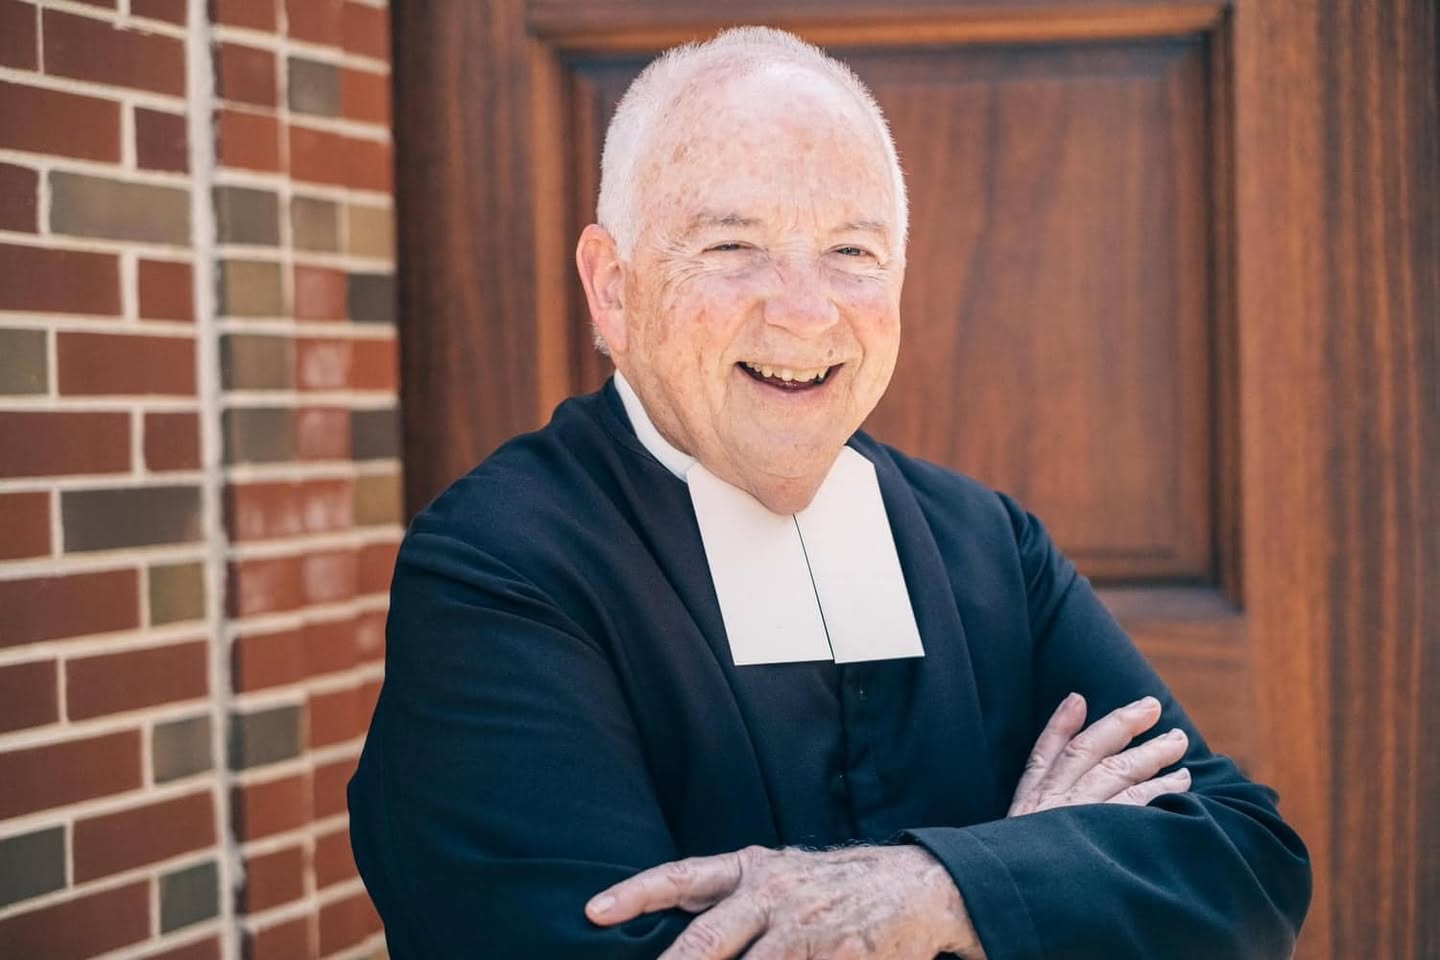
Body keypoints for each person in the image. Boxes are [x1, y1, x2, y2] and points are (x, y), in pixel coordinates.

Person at [348, 26, 1311, 959]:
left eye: (852, 252)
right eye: (732, 246)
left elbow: (1245, 872)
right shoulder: (501, 569)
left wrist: (938, 892)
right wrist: (1034, 881)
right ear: (613, 287)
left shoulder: (986, 546)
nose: (806, 313)